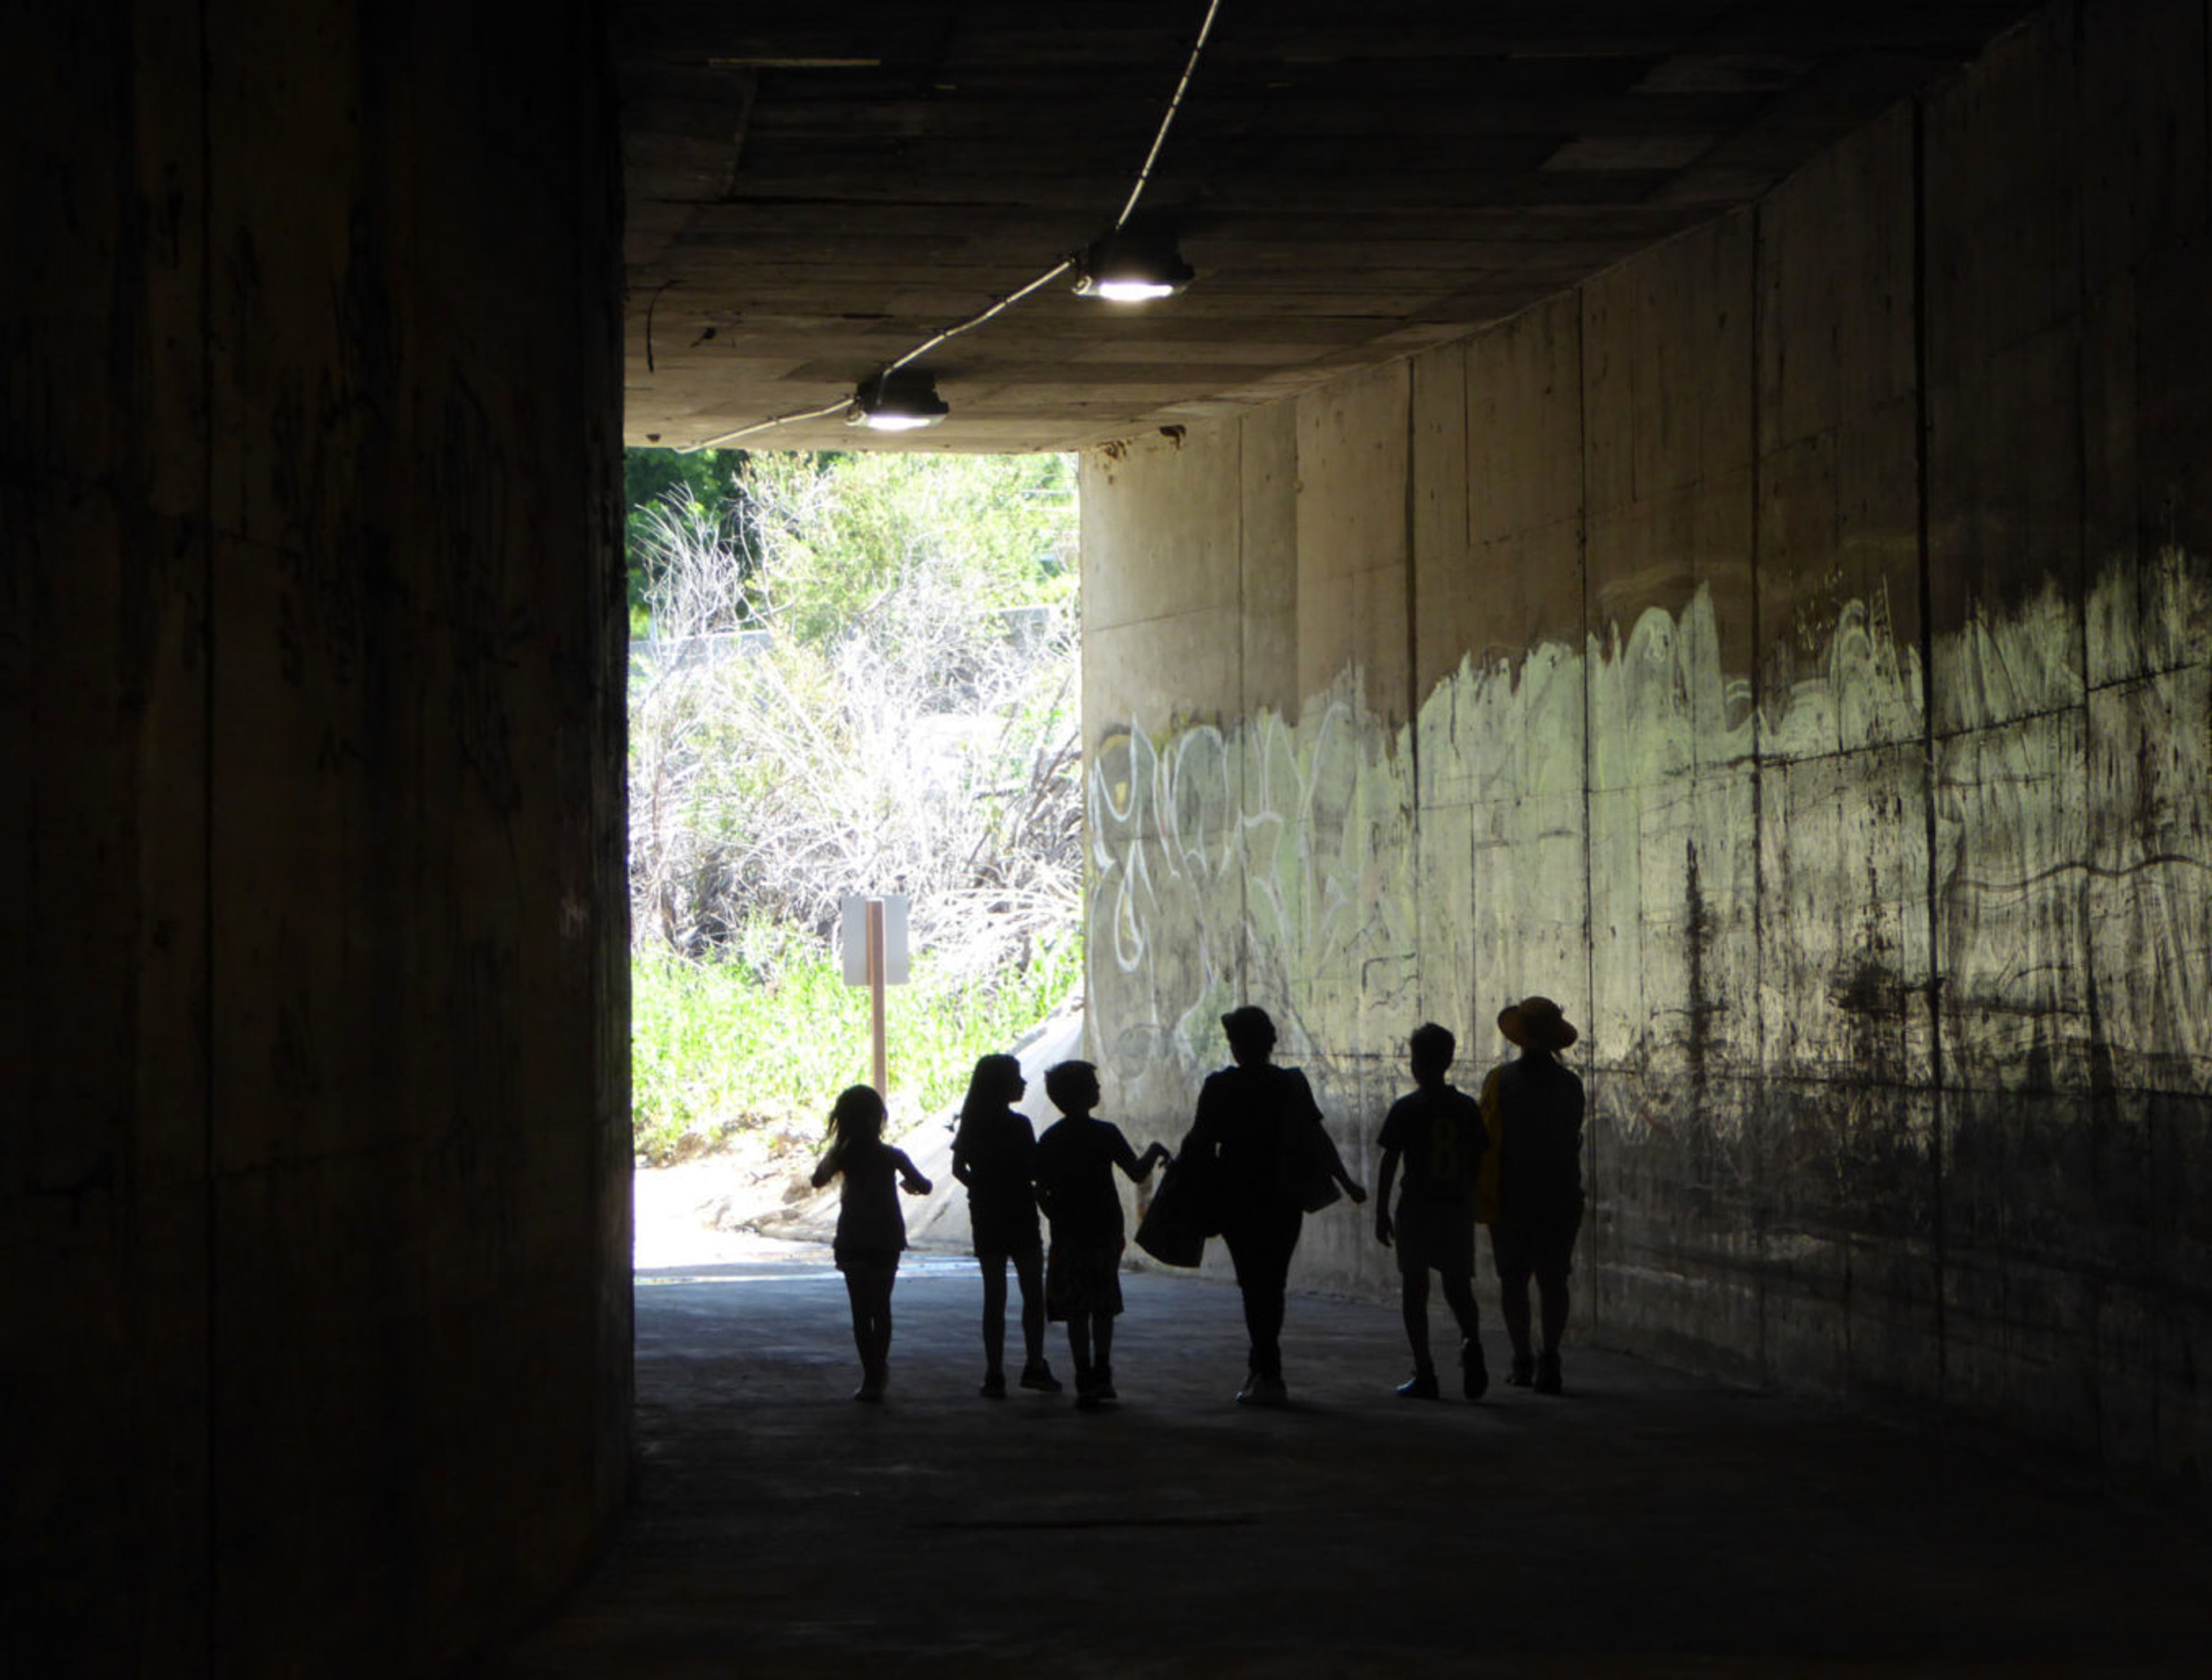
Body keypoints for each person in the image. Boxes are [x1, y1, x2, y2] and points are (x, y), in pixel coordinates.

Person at [1181, 1005, 1367, 1406]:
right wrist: (1346, 1181)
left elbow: (1199, 1142)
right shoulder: (1290, 1085)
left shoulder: (1219, 1087)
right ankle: (1265, 1366)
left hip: (1237, 1196)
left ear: (1236, 1046)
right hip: (1283, 1195)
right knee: (1273, 1283)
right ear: (1272, 1042)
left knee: (1253, 1284)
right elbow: (1316, 1138)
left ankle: (1268, 1368)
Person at [1031, 1060, 1170, 1410]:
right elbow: (1138, 1174)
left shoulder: (1051, 1138)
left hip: (1070, 1233)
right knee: (1103, 1303)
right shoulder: (1106, 1134)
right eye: (1094, 1084)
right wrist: (1154, 1150)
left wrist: (1056, 1215)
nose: (1099, 1088)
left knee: (1077, 1308)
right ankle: (1103, 1372)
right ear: (1084, 1094)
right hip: (1106, 1229)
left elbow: (1039, 1186)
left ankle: (1083, 1377)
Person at [1374, 1022, 1489, 1401]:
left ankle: (1425, 1371)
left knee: (1415, 1287)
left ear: (1417, 1064)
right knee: (1458, 1287)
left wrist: (1381, 1212)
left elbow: (1390, 1162)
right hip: (1454, 1206)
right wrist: (1466, 1193)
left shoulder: (1407, 1109)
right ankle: (1471, 1338)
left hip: (1417, 1206)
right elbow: (1478, 1157)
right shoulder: (1465, 1108)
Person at [1480, 996, 1585, 1395]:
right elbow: (1571, 1135)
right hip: (1559, 1194)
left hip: (1511, 1195)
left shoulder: (1500, 1081)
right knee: (1554, 1280)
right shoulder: (1570, 1085)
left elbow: (1484, 1137)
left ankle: (1522, 1358)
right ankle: (1551, 1357)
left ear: (1520, 1038)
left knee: (1513, 1280)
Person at [810, 1084, 932, 1402]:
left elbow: (817, 1180)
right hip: (886, 1238)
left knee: (861, 1311)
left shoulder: (843, 1156)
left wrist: (834, 1152)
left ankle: (871, 1375)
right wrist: (910, 1186)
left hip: (853, 1238)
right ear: (879, 1119)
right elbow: (926, 1185)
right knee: (881, 1307)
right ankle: (878, 1371)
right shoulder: (891, 1155)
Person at [949, 1053, 1060, 1399]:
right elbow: (1034, 1170)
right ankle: (1034, 1365)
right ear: (1001, 1085)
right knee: (1032, 1294)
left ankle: (994, 1373)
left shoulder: (972, 1124)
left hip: (987, 1214)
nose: (1023, 1083)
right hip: (1020, 1212)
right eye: (1017, 1077)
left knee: (994, 1296)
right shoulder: (1019, 1125)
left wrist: (982, 1190)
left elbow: (958, 1169)